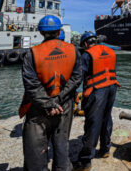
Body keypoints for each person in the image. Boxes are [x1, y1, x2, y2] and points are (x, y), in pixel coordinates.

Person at [19, 15, 82, 171]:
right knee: (61, 143)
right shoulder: (73, 50)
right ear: (59, 30)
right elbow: (77, 77)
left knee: (35, 149)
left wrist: (48, 102)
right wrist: (59, 99)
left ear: (41, 33)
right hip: (64, 105)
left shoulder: (32, 53)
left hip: (39, 108)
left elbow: (31, 84)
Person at [73, 32, 120, 171]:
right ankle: (105, 149)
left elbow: (79, 76)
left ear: (86, 44)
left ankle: (85, 161)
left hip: (97, 91)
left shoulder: (87, 55)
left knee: (93, 123)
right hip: (112, 87)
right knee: (106, 118)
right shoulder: (110, 51)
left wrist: (72, 93)